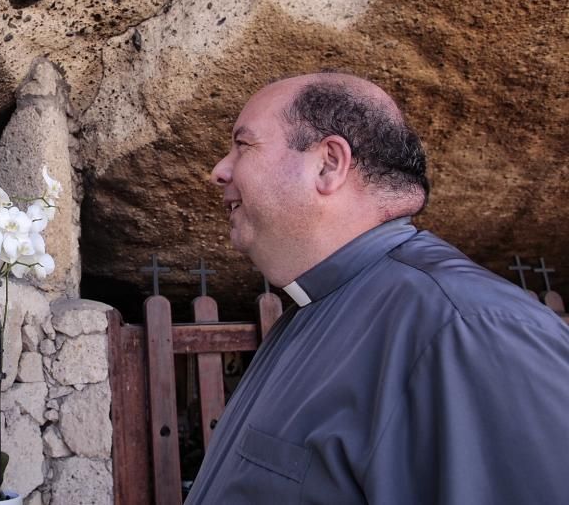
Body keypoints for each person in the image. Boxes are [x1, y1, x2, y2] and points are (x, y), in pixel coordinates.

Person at [186, 72, 569, 503]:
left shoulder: (471, 329)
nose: (219, 170)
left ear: (329, 164)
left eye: (243, 145)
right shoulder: (315, 310)